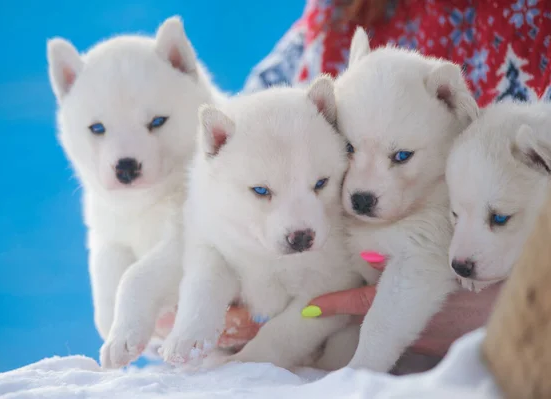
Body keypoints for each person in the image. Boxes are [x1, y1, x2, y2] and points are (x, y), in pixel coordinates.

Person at [156, 0, 550, 364]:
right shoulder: (335, 16)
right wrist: (201, 292)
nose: (361, 187)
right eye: (349, 148)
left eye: (400, 158)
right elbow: (249, 144)